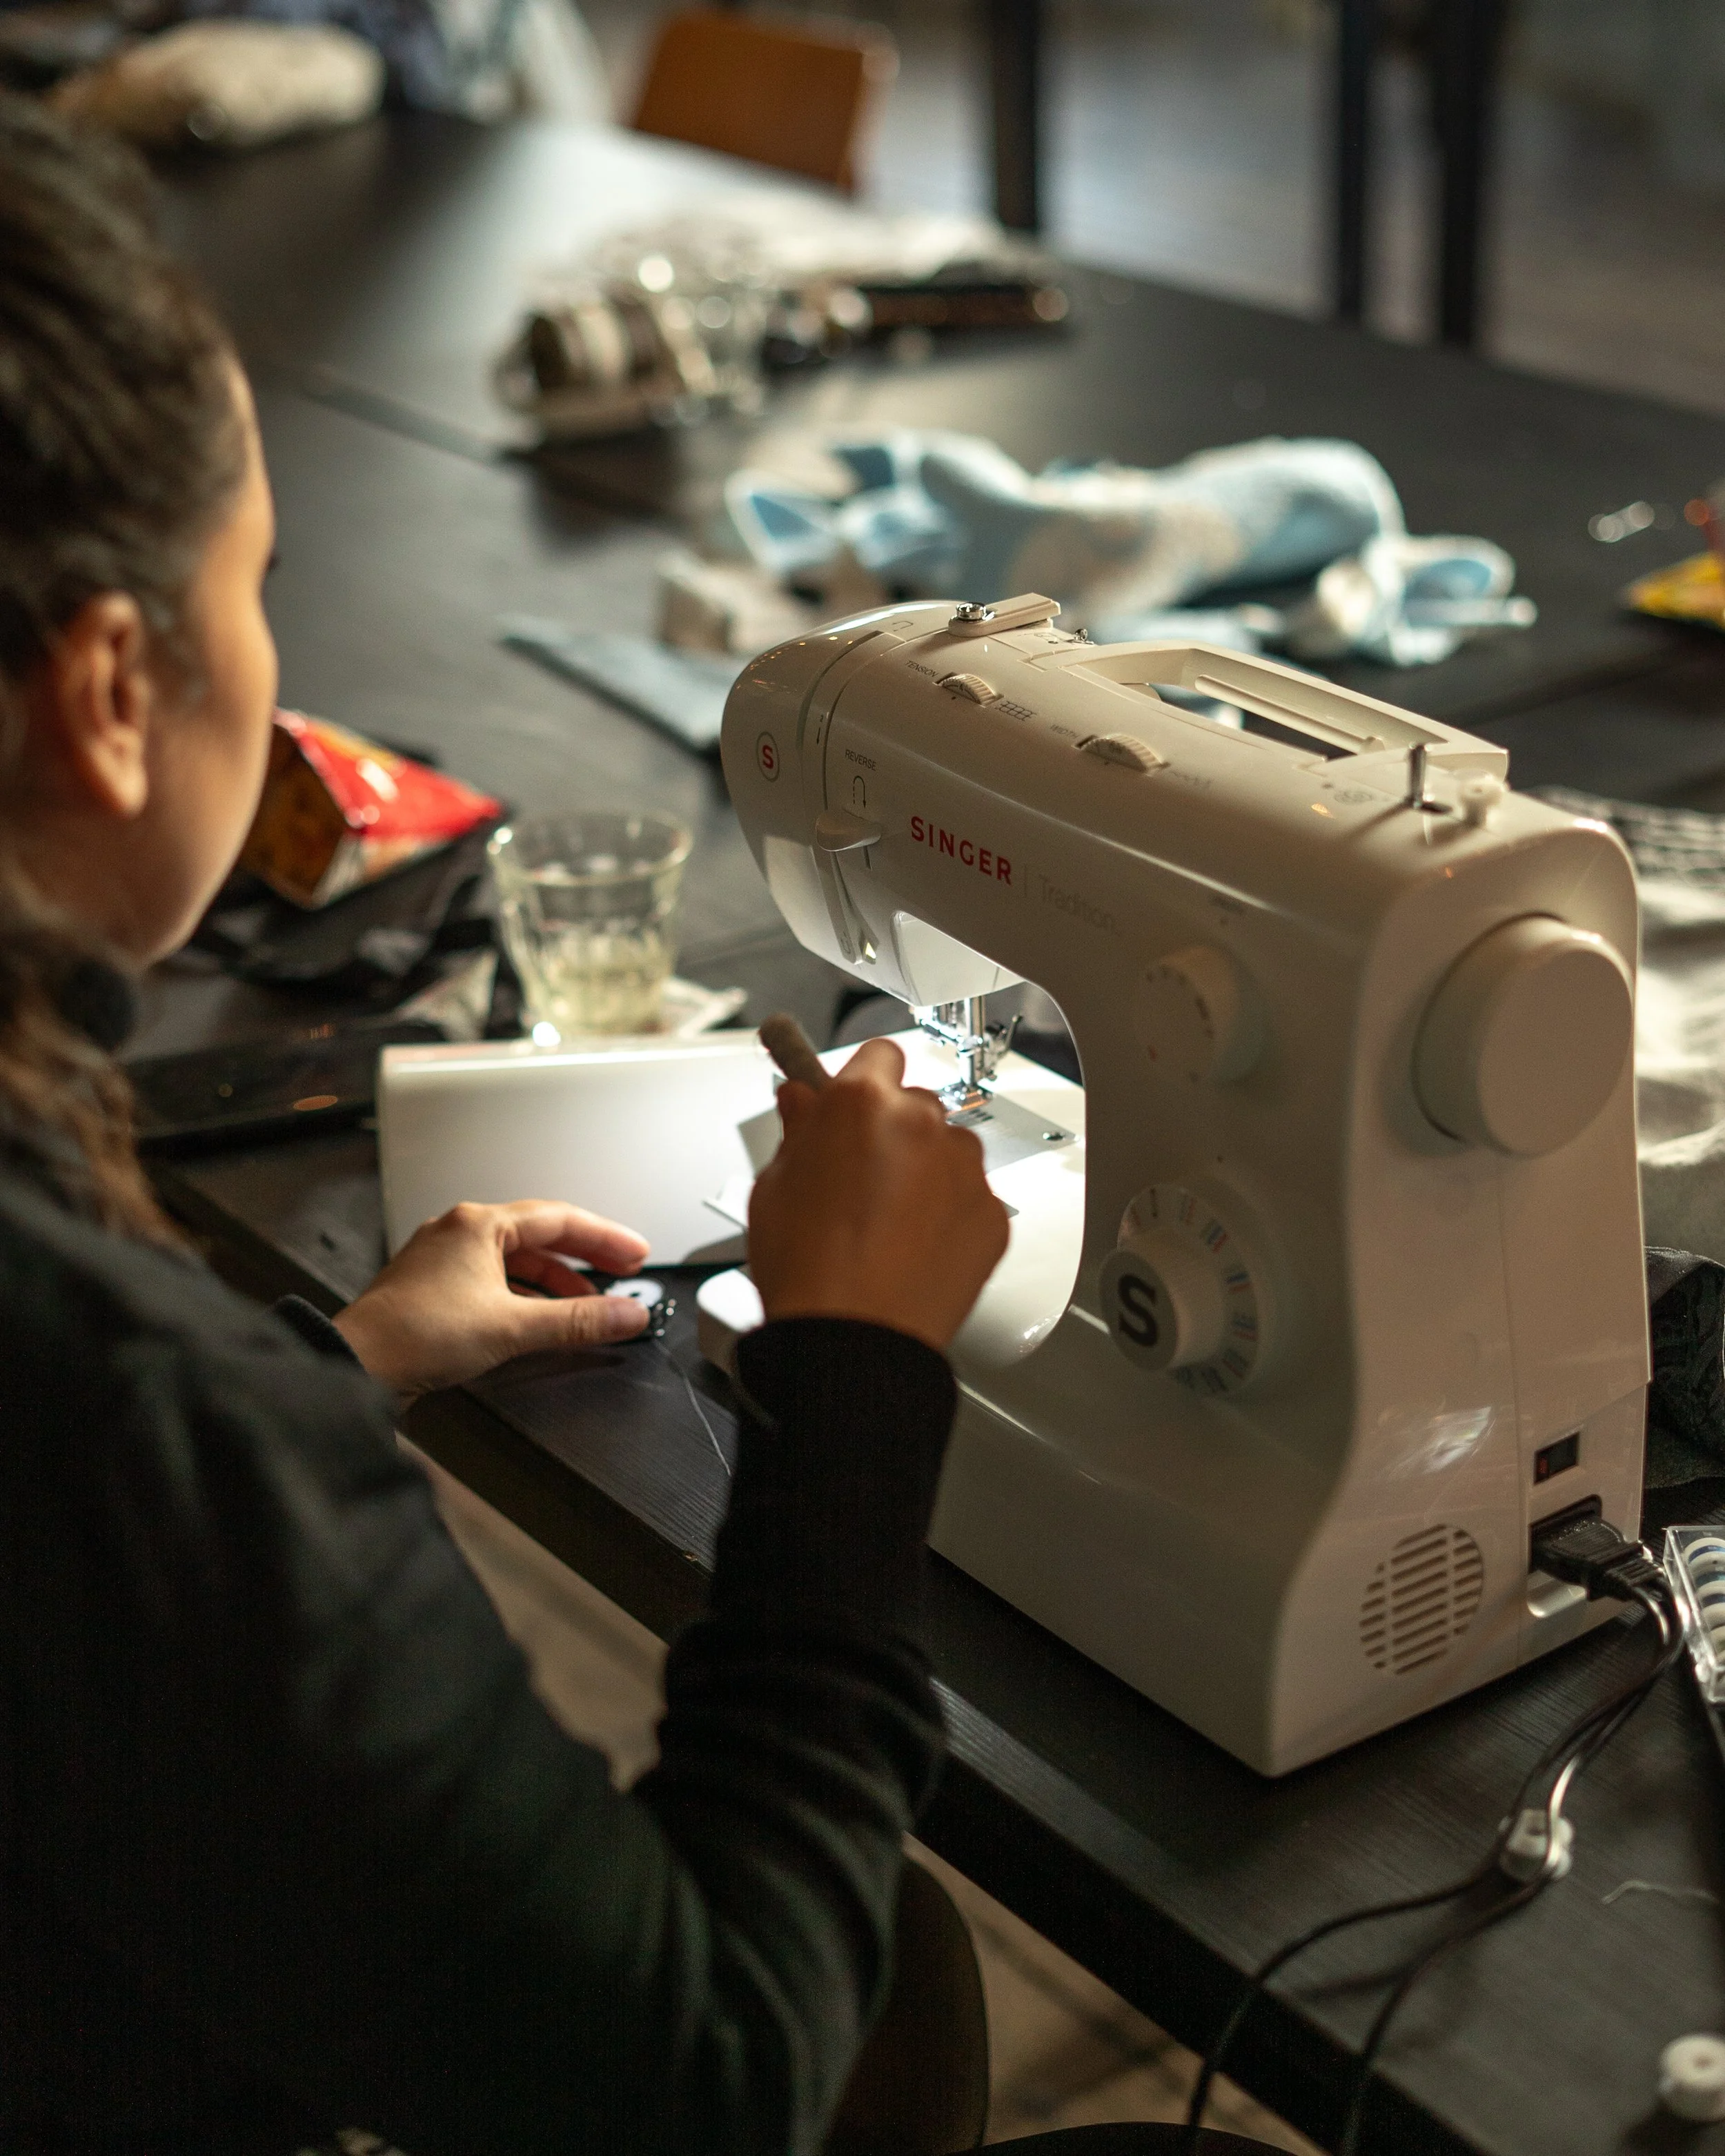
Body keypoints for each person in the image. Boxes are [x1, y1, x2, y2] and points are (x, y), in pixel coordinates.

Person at [0, 93, 1012, 2155]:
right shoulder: (126, 1416)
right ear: (110, 690)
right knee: (885, 1972)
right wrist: (858, 1372)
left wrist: (319, 1374)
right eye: (255, 579)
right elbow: (700, 2076)